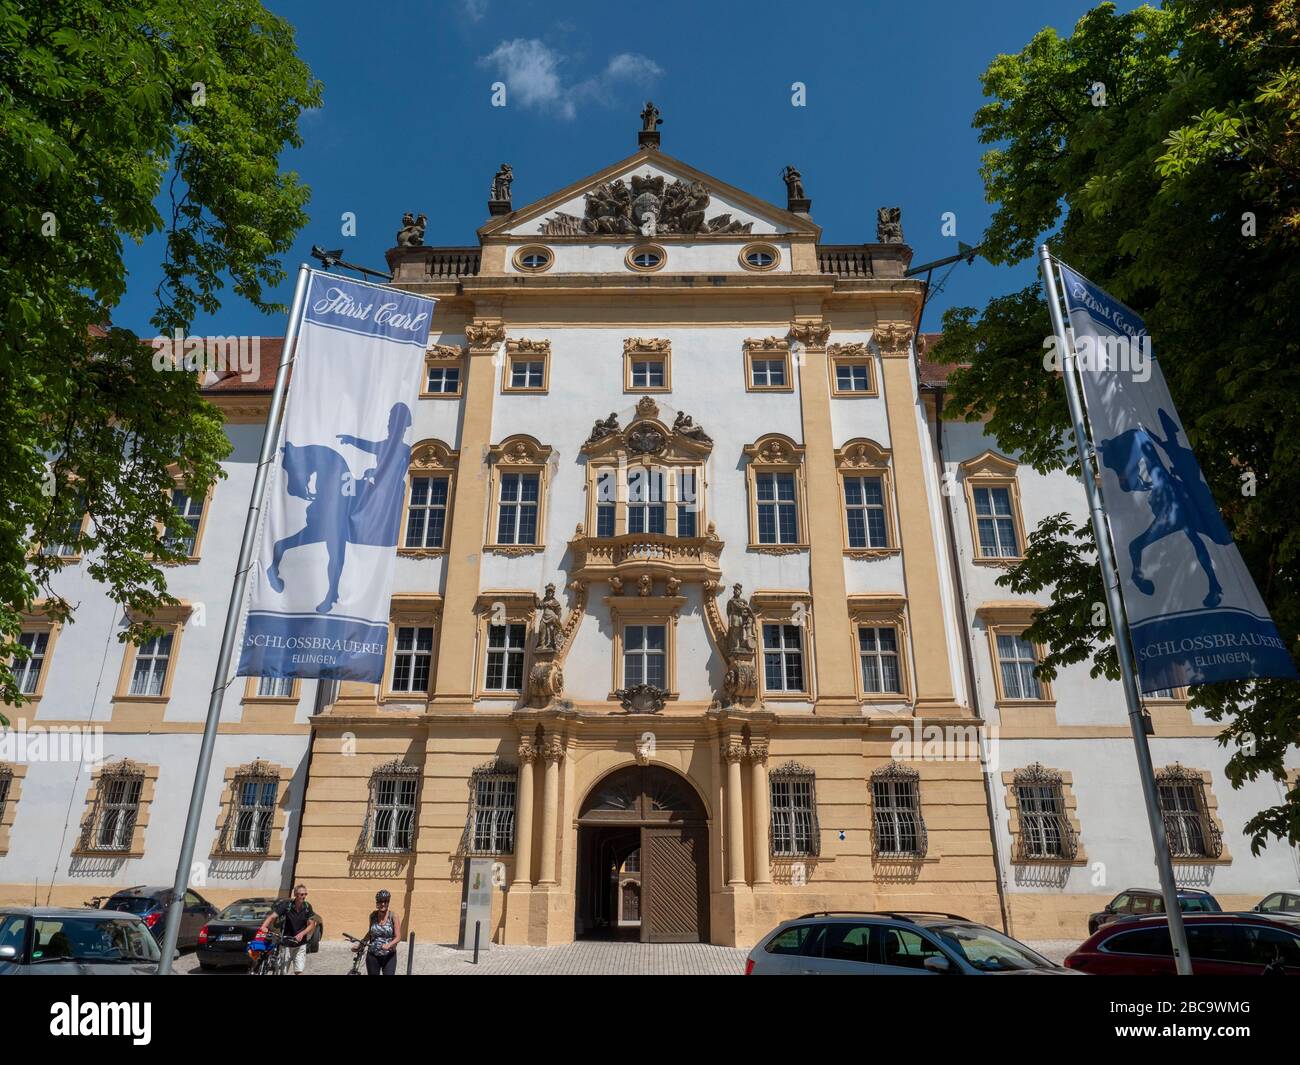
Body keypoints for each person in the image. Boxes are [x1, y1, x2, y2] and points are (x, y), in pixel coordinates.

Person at [258, 883, 317, 975]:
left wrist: (302, 933)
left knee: (299, 971)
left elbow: (312, 924)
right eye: (301, 894)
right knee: (283, 972)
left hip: (300, 944)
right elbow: (272, 917)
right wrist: (263, 927)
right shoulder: (287, 905)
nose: (304, 896)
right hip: (286, 944)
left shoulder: (307, 907)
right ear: (295, 895)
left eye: (305, 894)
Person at [355, 889, 402, 976]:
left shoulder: (393, 916)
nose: (383, 904)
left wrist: (389, 945)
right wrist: (361, 944)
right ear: (377, 902)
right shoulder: (373, 916)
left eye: (385, 901)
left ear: (388, 902)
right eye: (380, 901)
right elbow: (371, 932)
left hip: (389, 956)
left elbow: (398, 937)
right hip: (373, 955)